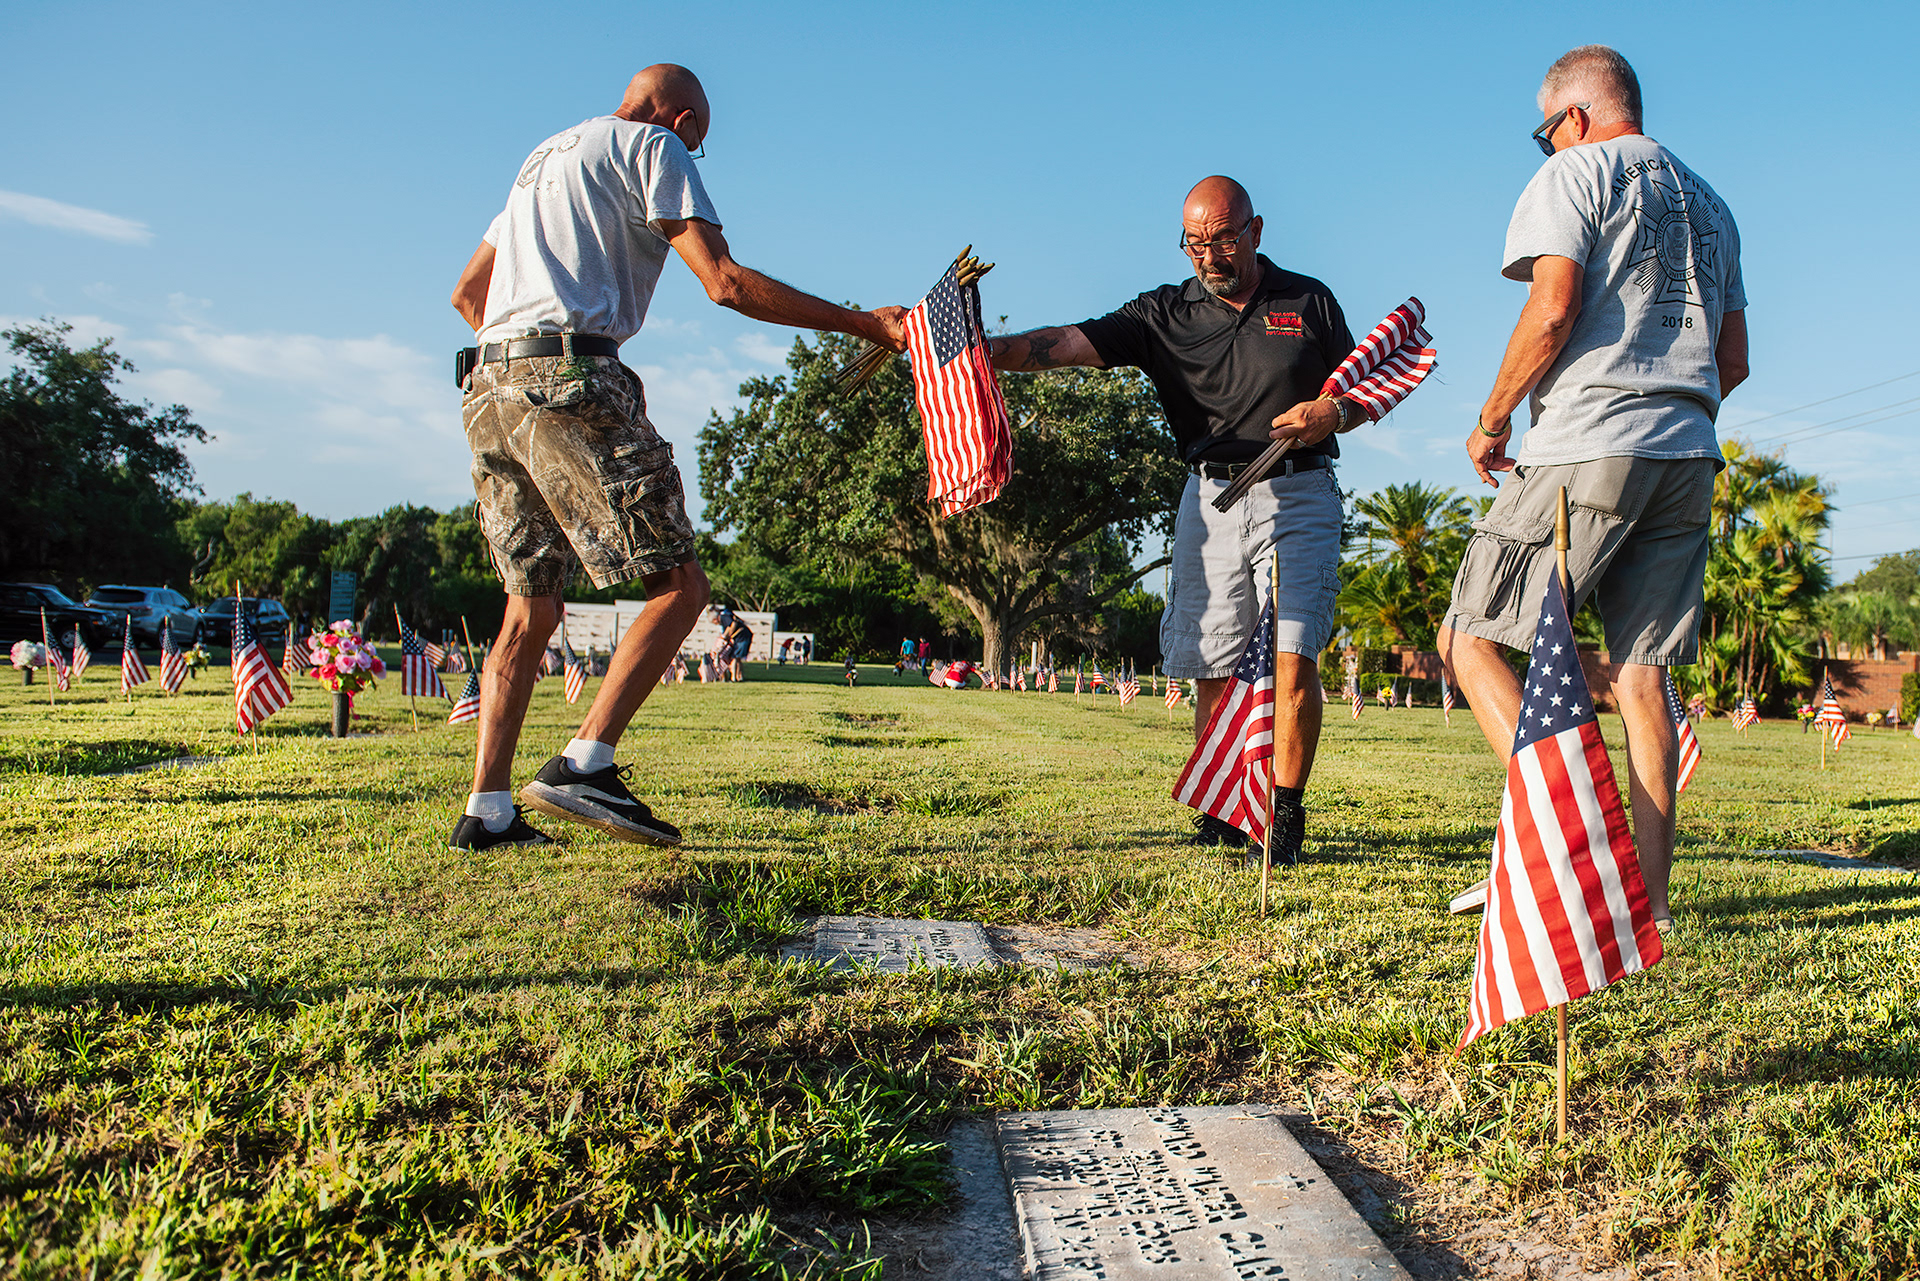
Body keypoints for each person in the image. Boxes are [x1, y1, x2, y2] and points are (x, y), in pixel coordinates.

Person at [447, 64, 906, 851]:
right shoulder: (654, 148)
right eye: (701, 140)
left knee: (530, 606)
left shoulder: (543, 161)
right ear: (685, 118)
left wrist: (532, 353)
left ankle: (486, 810)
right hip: (565, 374)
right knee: (679, 585)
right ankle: (584, 763)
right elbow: (723, 283)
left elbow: (467, 292)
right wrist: (865, 323)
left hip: (487, 385)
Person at [1437, 46, 1747, 932]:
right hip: (1690, 450)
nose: (1546, 148)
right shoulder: (1712, 203)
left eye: (1545, 133)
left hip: (1587, 441)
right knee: (1642, 679)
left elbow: (1553, 305)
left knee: (1467, 637)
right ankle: (1640, 905)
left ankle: (1561, 843)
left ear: (1572, 118)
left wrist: (1494, 418)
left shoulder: (1579, 173)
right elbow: (1735, 360)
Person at [986, 176, 1371, 866]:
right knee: (1212, 661)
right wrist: (981, 349)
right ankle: (1225, 806)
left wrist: (1336, 413)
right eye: (1195, 242)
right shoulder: (1161, 313)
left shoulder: (1308, 299)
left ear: (1254, 231)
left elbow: (1367, 386)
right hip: (1209, 500)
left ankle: (1283, 818)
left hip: (1299, 489)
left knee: (1292, 657)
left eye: (1223, 238)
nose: (1210, 255)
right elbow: (1065, 343)